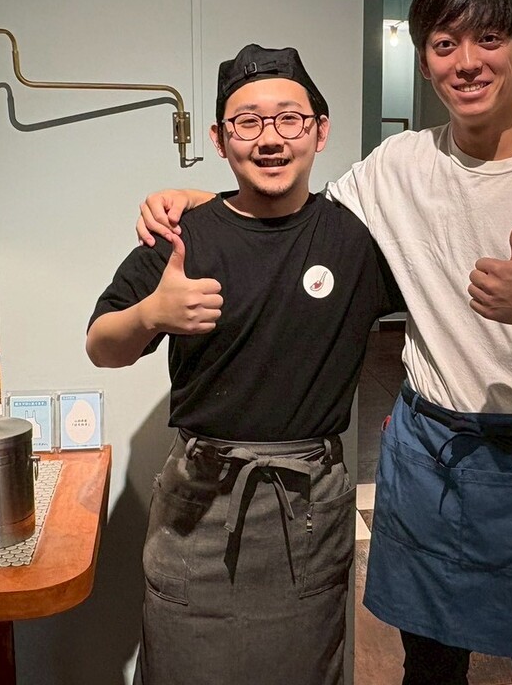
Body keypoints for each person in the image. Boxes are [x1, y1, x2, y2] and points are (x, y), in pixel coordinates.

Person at [135, 0, 512, 682]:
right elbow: (297, 212)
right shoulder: (399, 163)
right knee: (430, 660)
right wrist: (199, 200)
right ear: (425, 59)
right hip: (430, 449)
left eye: (489, 39)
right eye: (446, 43)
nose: (467, 62)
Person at [86, 43, 403, 685]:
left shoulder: (356, 240)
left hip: (308, 501)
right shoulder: (185, 235)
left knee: (303, 667)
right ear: (220, 138)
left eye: (289, 118)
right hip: (200, 498)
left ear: (320, 129)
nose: (270, 138)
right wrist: (151, 314)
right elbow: (101, 343)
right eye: (248, 122)